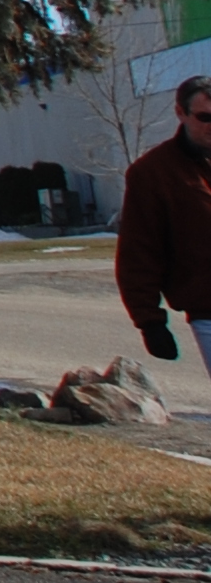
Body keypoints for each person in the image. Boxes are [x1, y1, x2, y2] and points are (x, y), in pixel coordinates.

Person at [115, 73, 211, 373]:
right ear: (180, 113)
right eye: (204, 117)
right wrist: (150, 321)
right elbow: (138, 252)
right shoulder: (153, 174)